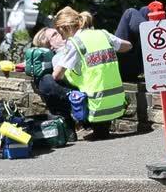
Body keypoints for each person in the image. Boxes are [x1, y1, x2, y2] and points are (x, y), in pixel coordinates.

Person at [51, 7, 132, 140]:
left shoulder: (75, 43)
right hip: (117, 104)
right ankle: (102, 129)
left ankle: (74, 126)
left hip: (95, 107)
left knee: (49, 82)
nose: (61, 36)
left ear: (65, 27)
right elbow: (128, 45)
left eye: (60, 32)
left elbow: (57, 75)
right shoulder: (102, 34)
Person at [31, 27, 78, 139]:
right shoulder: (57, 57)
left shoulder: (76, 43)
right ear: (50, 45)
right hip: (75, 92)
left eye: (58, 32)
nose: (60, 33)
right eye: (54, 35)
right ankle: (66, 125)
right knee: (45, 81)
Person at [114, 6, 149, 81]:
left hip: (126, 67)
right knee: (130, 13)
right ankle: (152, 33)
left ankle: (152, 33)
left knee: (145, 10)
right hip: (122, 69)